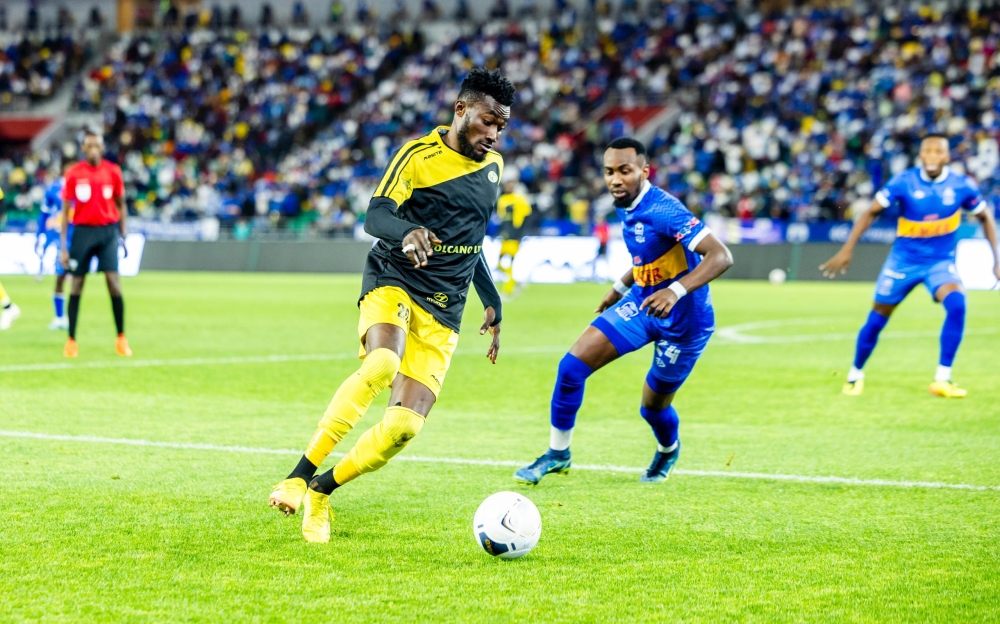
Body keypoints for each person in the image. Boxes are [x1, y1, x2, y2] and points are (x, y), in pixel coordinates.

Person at [268, 68, 514, 543]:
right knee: (382, 363)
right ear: (461, 110)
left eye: (501, 127)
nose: (494, 134)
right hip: (396, 278)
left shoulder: (493, 167)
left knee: (403, 427)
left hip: (446, 307)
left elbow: (472, 241)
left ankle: (321, 491)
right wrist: (409, 232)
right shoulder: (419, 155)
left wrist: (491, 299)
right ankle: (298, 475)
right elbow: (376, 214)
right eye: (487, 121)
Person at [514, 138, 733, 485]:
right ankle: (558, 454)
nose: (615, 179)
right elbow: (648, 255)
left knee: (652, 408)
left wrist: (675, 291)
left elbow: (721, 255)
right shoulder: (623, 203)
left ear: (644, 172)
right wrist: (619, 287)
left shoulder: (664, 209)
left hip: (685, 322)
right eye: (609, 172)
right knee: (570, 368)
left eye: (625, 171)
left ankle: (667, 451)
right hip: (642, 305)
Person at [820, 134, 1000, 398]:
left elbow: (985, 217)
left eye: (938, 151)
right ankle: (855, 373)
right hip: (903, 262)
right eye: (926, 151)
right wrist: (847, 249)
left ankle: (942, 378)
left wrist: (996, 259)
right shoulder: (904, 181)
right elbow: (870, 212)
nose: (931, 156)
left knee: (958, 303)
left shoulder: (962, 186)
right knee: (877, 318)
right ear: (921, 155)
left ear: (947, 156)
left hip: (939, 263)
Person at [60, 129, 132, 359]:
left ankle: (121, 338)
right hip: (82, 232)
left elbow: (121, 204)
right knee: (77, 285)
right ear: (83, 148)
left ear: (102, 148)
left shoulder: (113, 171)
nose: (93, 149)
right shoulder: (73, 174)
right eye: (88, 145)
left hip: (107, 232)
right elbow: (64, 212)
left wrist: (123, 234)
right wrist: (63, 246)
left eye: (96, 145)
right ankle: (71, 341)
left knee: (114, 283)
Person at [36, 164, 71, 329]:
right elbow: (44, 213)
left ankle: (68, 316)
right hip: (58, 235)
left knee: (74, 278)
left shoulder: (82, 187)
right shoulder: (53, 189)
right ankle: (60, 317)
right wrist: (39, 233)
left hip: (78, 235)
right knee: (60, 274)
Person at [495, 180, 532, 295]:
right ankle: (517, 282)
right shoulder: (502, 200)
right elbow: (502, 219)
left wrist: (520, 235)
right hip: (505, 236)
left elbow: (525, 218)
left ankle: (508, 290)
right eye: (507, 185)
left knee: (509, 263)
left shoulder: (520, 199)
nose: (508, 187)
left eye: (510, 185)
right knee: (499, 264)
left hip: (514, 236)